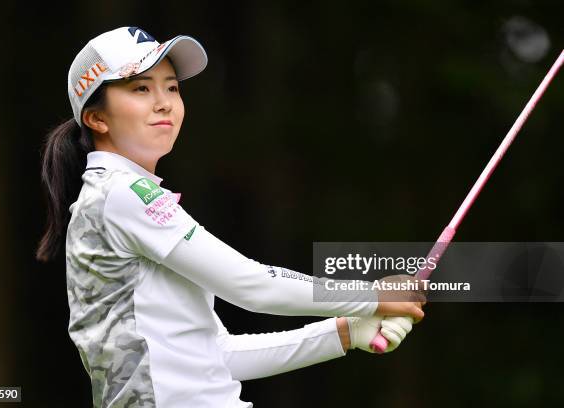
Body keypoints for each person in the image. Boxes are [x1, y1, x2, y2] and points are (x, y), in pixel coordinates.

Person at [36, 26, 425, 408]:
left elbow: (219, 356)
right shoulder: (123, 193)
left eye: (171, 87)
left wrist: (344, 332)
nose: (164, 102)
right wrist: (369, 296)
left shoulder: (120, 195)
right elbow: (251, 285)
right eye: (141, 88)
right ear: (97, 118)